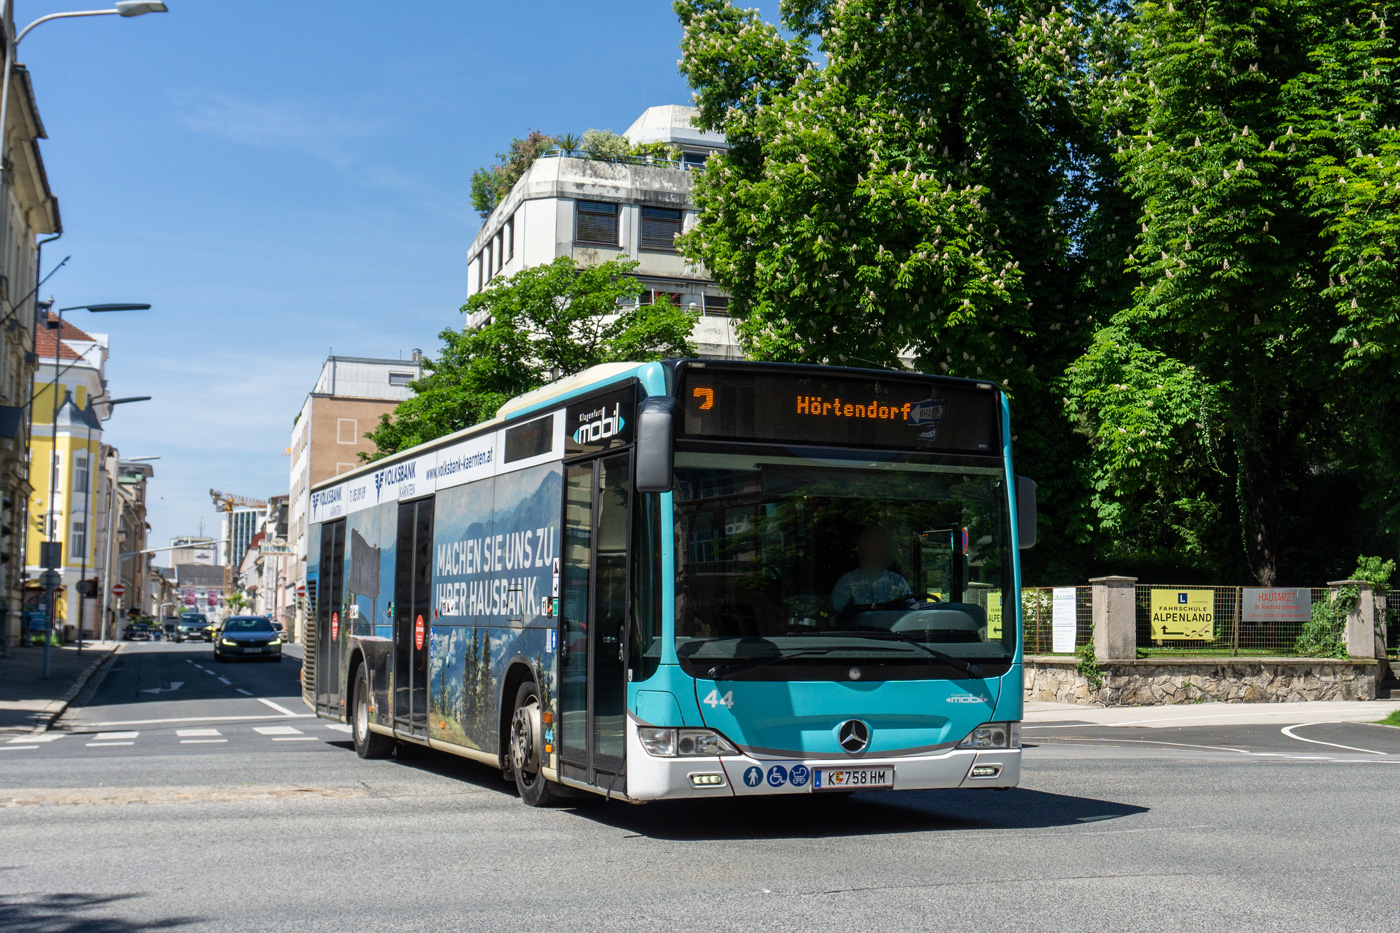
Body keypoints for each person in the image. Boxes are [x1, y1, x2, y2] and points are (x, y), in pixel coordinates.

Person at [831, 525, 911, 612]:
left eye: (879, 547)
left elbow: (910, 610)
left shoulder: (898, 581)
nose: (874, 551)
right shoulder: (848, 581)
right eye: (870, 546)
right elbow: (834, 614)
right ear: (862, 549)